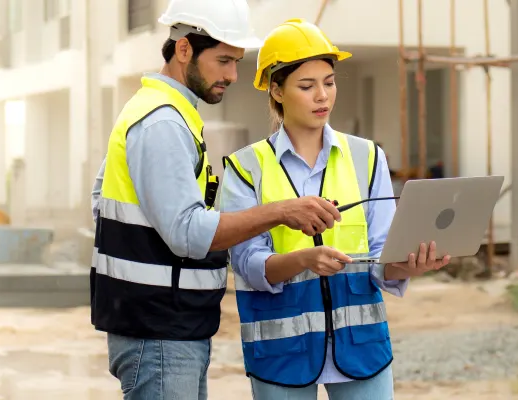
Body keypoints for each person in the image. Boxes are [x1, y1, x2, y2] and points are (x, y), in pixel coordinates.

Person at [89, 4, 345, 399]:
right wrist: (282, 211)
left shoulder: (164, 113)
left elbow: (101, 201)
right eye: (224, 60)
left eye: (237, 61)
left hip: (165, 324)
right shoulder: (162, 122)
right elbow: (188, 234)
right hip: (159, 330)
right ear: (185, 50)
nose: (232, 75)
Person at [220, 19, 452, 399]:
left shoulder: (368, 157)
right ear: (276, 91)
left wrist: (412, 264)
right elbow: (247, 264)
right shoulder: (246, 167)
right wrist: (304, 258)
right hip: (282, 353)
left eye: (329, 82)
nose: (322, 96)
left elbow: (381, 257)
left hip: (360, 348)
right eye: (307, 86)